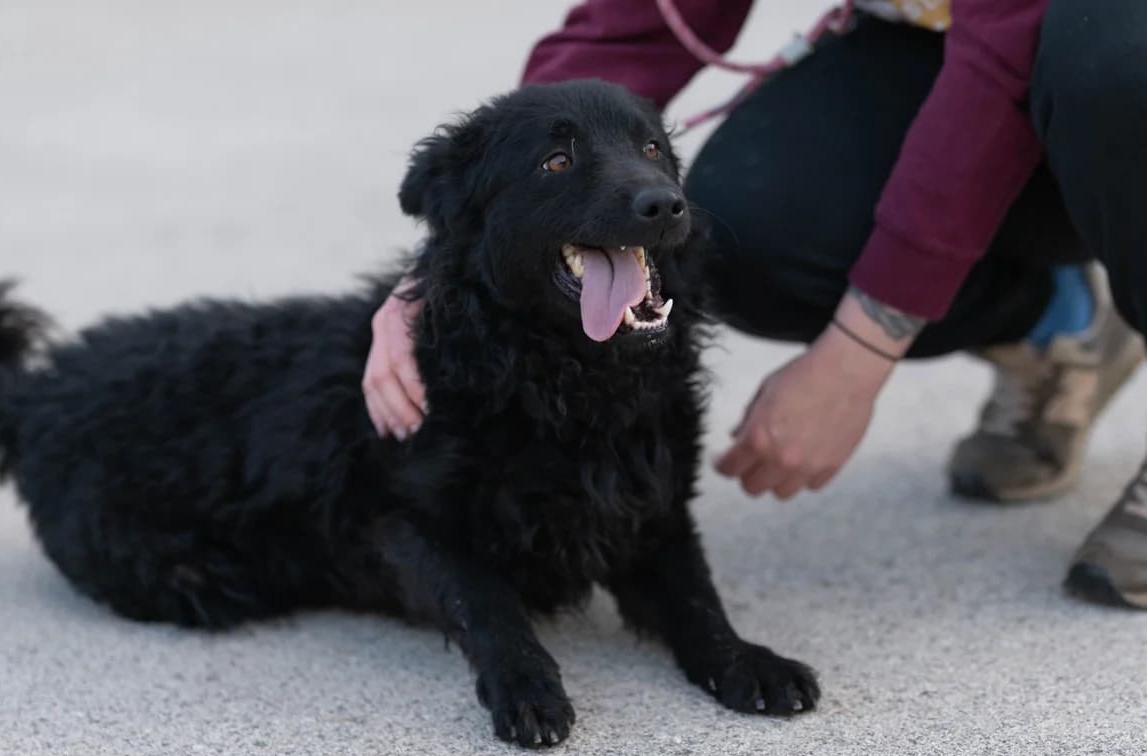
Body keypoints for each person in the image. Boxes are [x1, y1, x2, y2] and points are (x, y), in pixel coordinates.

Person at [362, 0, 1147, 608]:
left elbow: (1003, 65)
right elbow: (637, 26)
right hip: (959, 39)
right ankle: (1060, 322)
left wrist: (856, 356)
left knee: (1118, 66)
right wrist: (464, 234)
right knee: (756, 227)